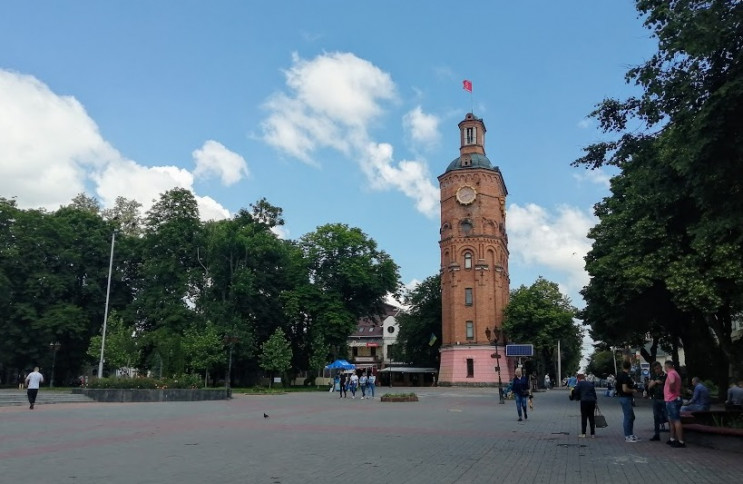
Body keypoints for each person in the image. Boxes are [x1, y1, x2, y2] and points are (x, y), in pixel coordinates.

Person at [664, 360, 685, 448]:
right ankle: (672, 438)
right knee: (671, 419)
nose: (664, 368)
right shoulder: (676, 373)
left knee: (675, 419)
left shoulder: (671, 373)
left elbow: (672, 382)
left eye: (664, 367)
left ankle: (681, 441)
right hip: (671, 399)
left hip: (672, 399)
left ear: (667, 366)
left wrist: (671, 390)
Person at [616, 360, 639, 442]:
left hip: (624, 397)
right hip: (625, 397)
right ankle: (628, 436)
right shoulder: (625, 376)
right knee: (628, 417)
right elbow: (625, 389)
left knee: (631, 417)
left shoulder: (620, 375)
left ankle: (630, 434)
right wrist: (633, 390)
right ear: (629, 367)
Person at [647, 361, 668, 441]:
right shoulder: (654, 376)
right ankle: (657, 434)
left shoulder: (666, 376)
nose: (657, 370)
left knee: (667, 416)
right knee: (656, 417)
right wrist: (655, 382)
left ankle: (672, 435)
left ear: (661, 367)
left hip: (665, 399)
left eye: (658, 368)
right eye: (655, 369)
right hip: (656, 399)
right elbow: (649, 386)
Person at [571, 373, 597, 438]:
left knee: (584, 417)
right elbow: (594, 393)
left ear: (578, 379)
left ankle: (583, 433)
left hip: (584, 401)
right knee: (591, 417)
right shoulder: (590, 384)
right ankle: (592, 434)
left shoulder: (579, 384)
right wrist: (595, 402)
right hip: (592, 401)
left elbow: (576, 391)